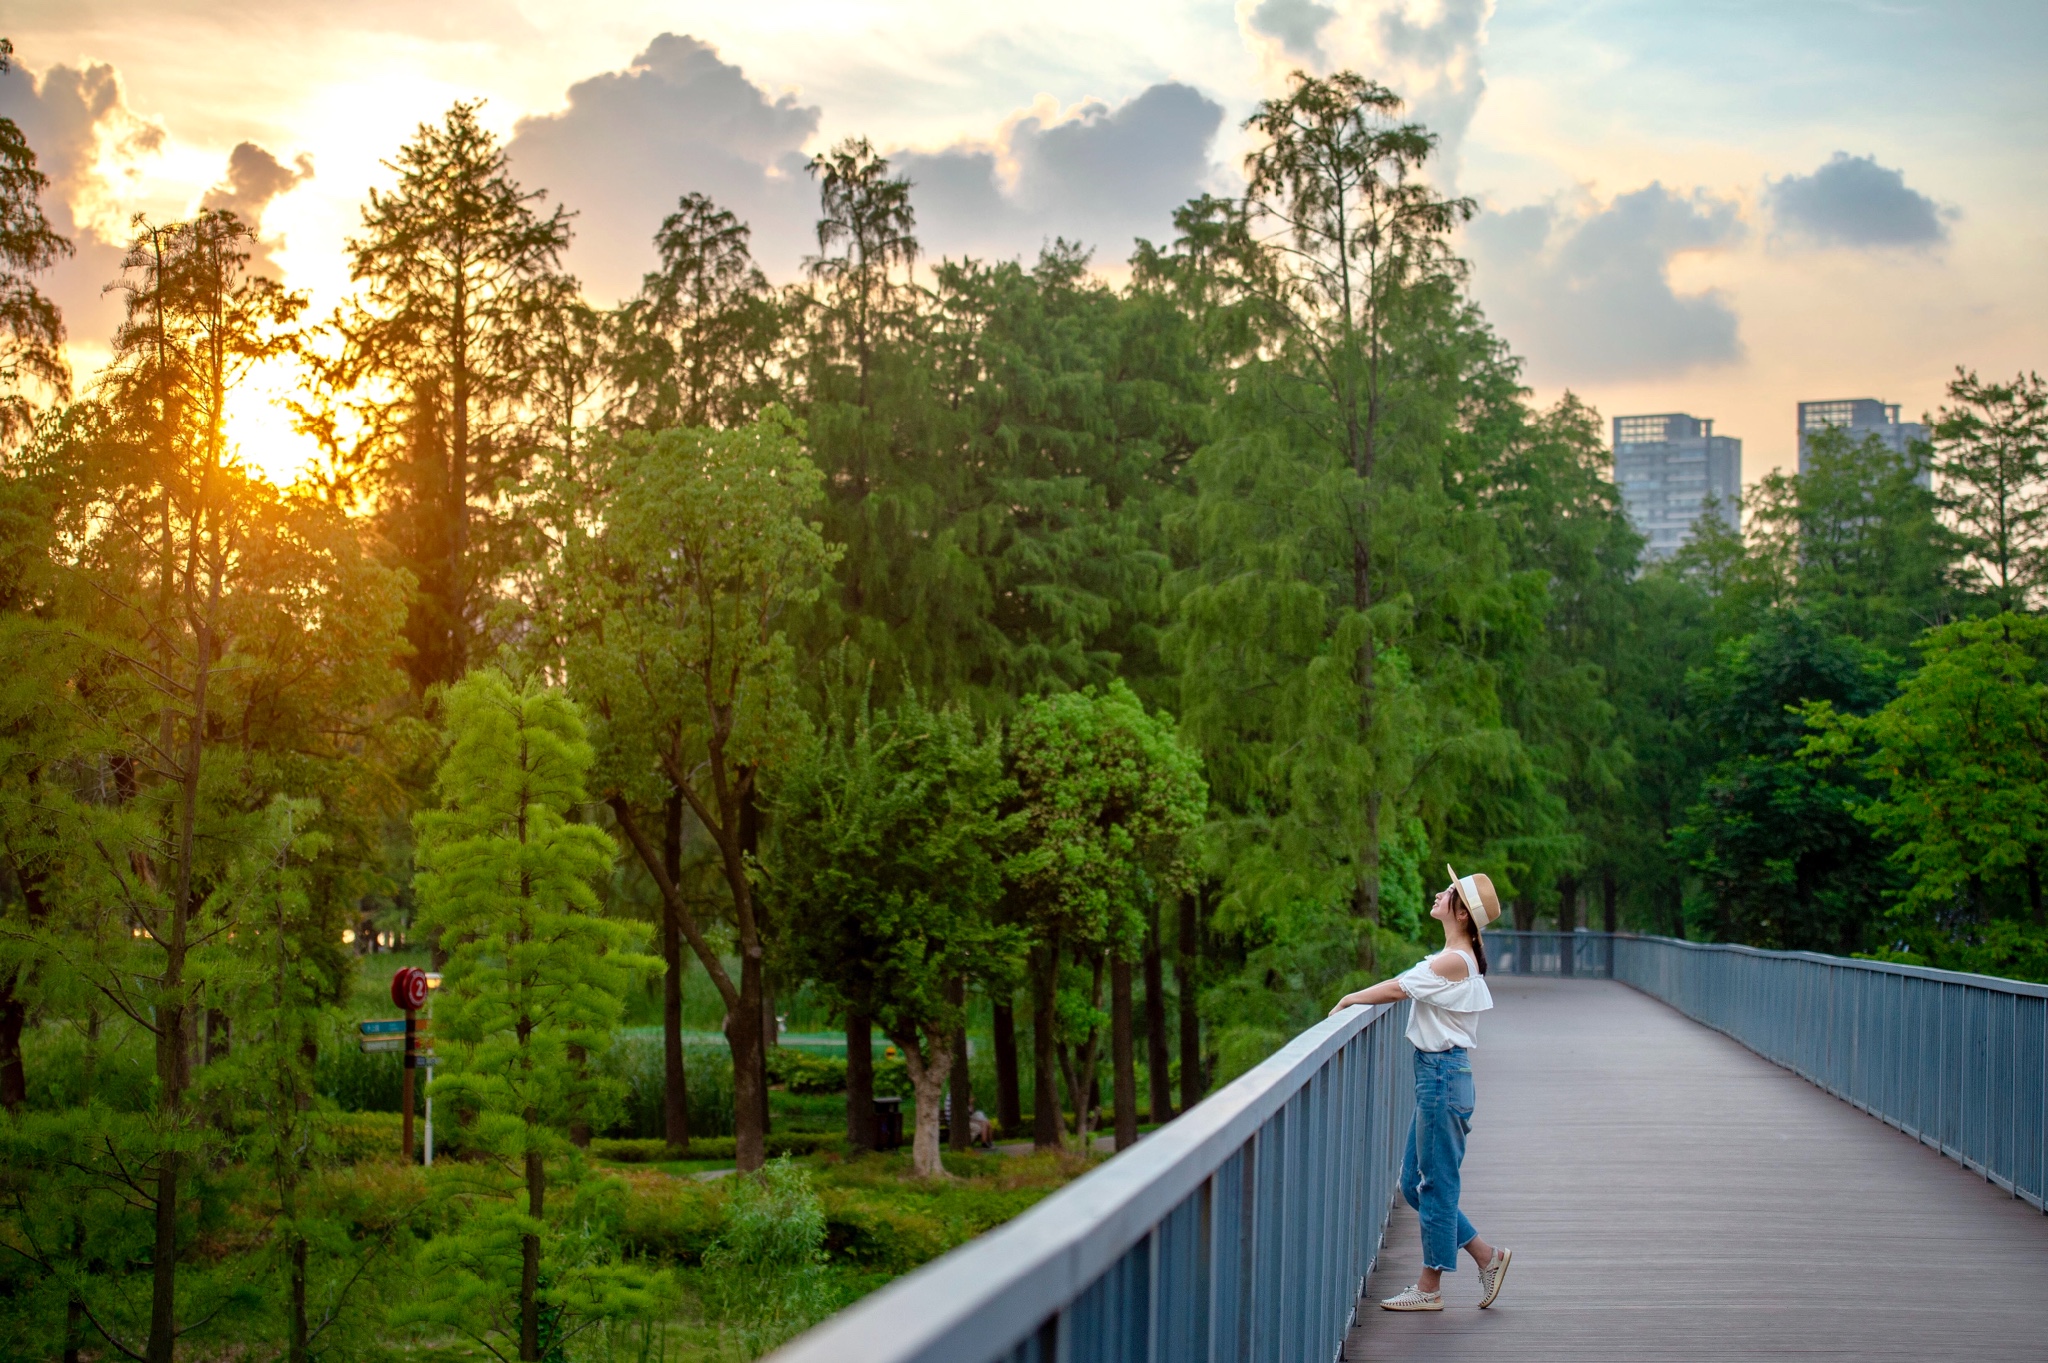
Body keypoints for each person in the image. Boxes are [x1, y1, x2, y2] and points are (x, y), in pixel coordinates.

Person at [1330, 865, 1513, 1312]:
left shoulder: (1453, 960)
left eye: (1448, 891)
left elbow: (1399, 988)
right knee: (1414, 1184)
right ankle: (1487, 1257)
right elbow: (1407, 983)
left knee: (1436, 1183)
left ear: (1463, 914)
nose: (1438, 892)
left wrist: (1353, 997)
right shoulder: (1454, 956)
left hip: (1441, 1076)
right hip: (1439, 1076)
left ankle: (1429, 1287)